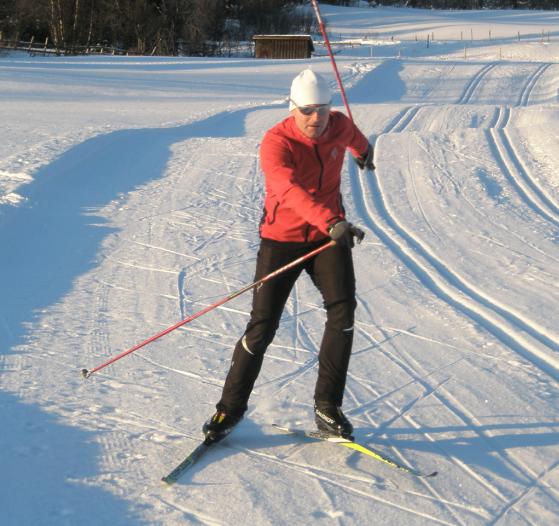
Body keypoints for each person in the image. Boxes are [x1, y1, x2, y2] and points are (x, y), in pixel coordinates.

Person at [203, 69, 375, 440]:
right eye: (308, 111)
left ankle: (327, 408)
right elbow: (288, 190)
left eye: (323, 110)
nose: (316, 119)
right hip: (282, 240)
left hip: (328, 239)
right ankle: (228, 410)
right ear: (293, 108)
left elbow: (354, 137)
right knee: (263, 326)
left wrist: (364, 152)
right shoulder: (275, 142)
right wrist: (331, 221)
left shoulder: (338, 125)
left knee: (343, 313)